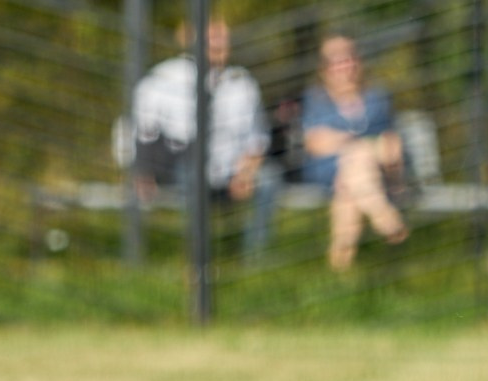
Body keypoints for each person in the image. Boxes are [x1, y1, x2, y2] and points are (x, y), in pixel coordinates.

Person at [131, 16, 280, 258]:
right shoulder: (163, 79)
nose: (220, 43)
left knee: (270, 179)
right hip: (181, 167)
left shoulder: (243, 84)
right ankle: (195, 257)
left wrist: (246, 171)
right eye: (212, 37)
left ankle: (255, 258)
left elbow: (258, 139)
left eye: (223, 37)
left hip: (234, 171)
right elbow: (144, 130)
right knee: (192, 174)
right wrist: (143, 172)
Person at [299, 34, 409, 270]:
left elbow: (390, 140)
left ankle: (341, 263)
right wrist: (356, 144)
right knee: (356, 160)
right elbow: (314, 143)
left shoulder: (376, 96)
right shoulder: (316, 99)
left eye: (348, 58)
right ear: (324, 68)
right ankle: (384, 217)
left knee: (350, 181)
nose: (343, 65)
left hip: (373, 171)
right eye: (335, 60)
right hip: (328, 168)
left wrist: (346, 142)